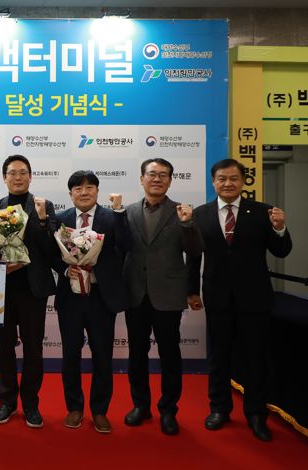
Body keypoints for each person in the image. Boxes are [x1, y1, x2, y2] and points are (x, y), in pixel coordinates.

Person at [187, 158, 292, 442]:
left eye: (233, 178)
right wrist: (192, 291)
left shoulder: (263, 212)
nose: (228, 183)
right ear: (213, 182)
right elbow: (194, 256)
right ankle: (219, 409)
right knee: (219, 356)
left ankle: (256, 414)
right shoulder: (201, 214)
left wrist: (280, 228)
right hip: (217, 296)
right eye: (222, 178)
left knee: (255, 357)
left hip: (254, 297)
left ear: (243, 181)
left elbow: (281, 251)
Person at [122, 158, 203, 435]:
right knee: (137, 354)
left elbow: (195, 251)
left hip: (168, 294)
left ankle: (168, 409)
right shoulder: (128, 212)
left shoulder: (182, 212)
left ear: (170, 180)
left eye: (163, 175)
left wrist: (187, 225)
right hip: (135, 294)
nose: (157, 179)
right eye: (152, 174)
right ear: (141, 178)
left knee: (170, 354)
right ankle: (140, 405)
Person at [52, 170, 131, 434]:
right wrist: (66, 270)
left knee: (102, 355)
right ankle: (74, 407)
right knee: (70, 355)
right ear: (70, 193)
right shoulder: (60, 219)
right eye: (78, 188)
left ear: (97, 191)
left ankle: (99, 410)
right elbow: (51, 254)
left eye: (89, 187)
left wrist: (119, 212)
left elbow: (126, 245)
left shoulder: (112, 217)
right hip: (70, 297)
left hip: (101, 297)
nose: (83, 192)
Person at [0, 155, 56, 429]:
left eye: (23, 172)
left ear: (30, 176)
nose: (18, 177)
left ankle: (30, 403)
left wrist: (42, 220)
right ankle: (6, 401)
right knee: (4, 349)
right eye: (12, 173)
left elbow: (51, 250)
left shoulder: (43, 205)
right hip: (2, 290)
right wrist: (1, 263)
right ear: (4, 177)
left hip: (33, 290)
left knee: (33, 349)